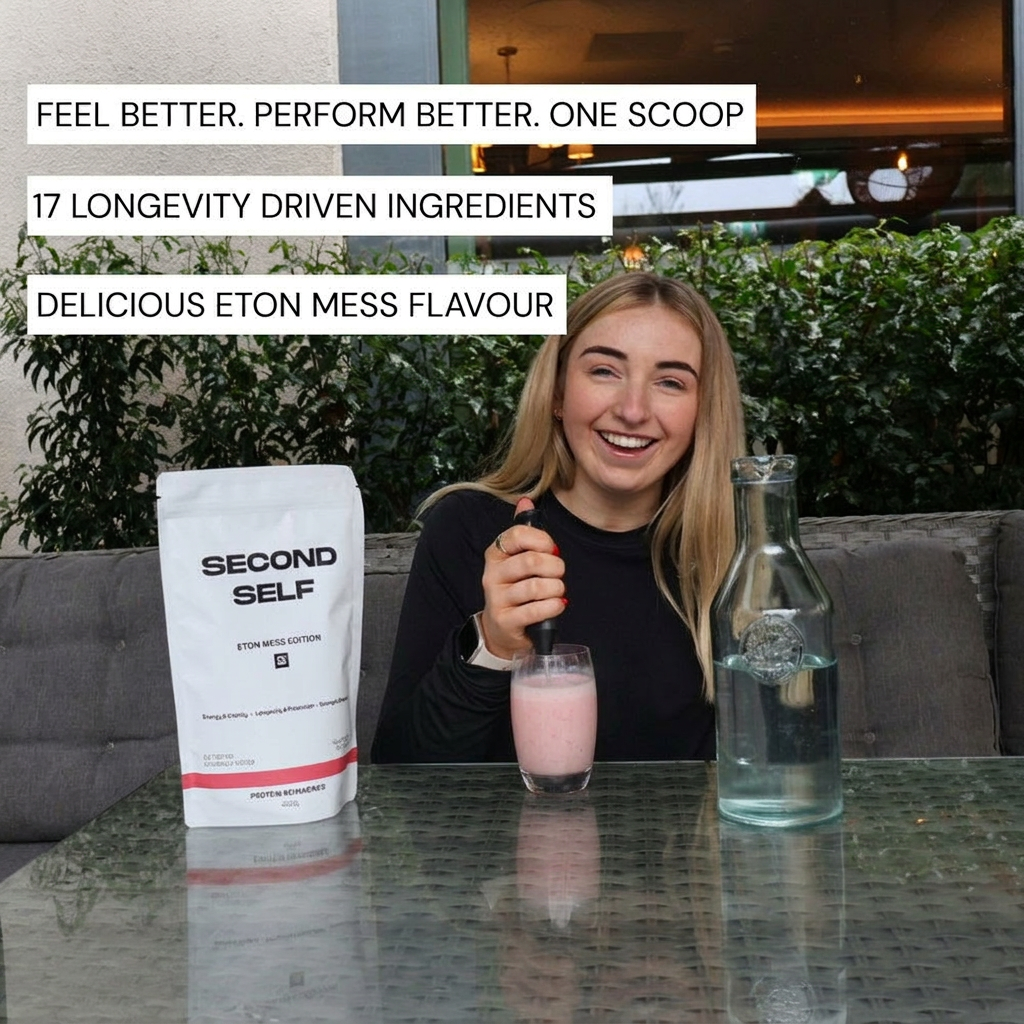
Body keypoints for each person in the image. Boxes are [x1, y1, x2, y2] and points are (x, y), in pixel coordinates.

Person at [371, 271, 746, 764]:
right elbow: (401, 777)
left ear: (703, 412)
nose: (633, 410)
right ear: (556, 393)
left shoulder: (736, 553)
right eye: (604, 371)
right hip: (504, 843)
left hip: (684, 843)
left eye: (670, 382)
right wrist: (493, 643)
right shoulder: (469, 530)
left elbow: (784, 768)